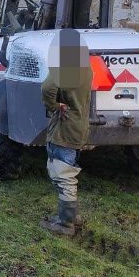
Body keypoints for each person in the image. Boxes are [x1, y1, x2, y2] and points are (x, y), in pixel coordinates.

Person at [40, 28, 92, 236]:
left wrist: (54, 106)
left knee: (62, 173)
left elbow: (46, 88)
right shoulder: (86, 68)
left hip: (65, 127)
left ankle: (65, 224)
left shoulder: (64, 68)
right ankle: (71, 217)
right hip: (80, 126)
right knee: (69, 170)